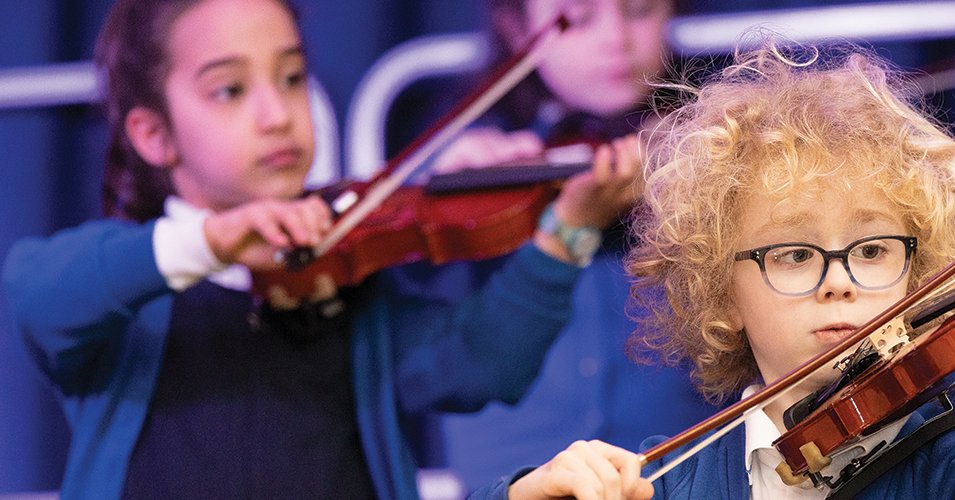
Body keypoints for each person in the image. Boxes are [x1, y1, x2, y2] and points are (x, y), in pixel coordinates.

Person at [0, 0, 620, 497]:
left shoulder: (347, 283)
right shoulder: (126, 293)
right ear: (154, 135)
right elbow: (37, 291)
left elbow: (484, 364)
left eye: (292, 77)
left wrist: (567, 230)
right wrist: (212, 241)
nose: (277, 114)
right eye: (230, 90)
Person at [467, 40, 955, 500]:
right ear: (722, 293)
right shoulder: (669, 483)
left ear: (919, 279)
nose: (839, 281)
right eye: (795, 255)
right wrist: (527, 493)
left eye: (871, 251)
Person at [414, 0, 721, 489]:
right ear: (516, 28)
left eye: (640, 10)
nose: (614, 38)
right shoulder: (476, 154)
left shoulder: (712, 144)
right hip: (516, 478)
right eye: (577, 18)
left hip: (684, 475)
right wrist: (448, 208)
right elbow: (422, 355)